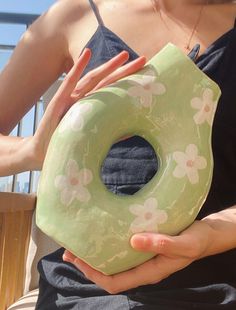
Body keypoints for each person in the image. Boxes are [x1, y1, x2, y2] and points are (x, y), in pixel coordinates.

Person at [1, 0, 236, 309]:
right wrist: (33, 150)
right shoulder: (75, 16)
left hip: (219, 278)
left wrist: (211, 237)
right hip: (83, 282)